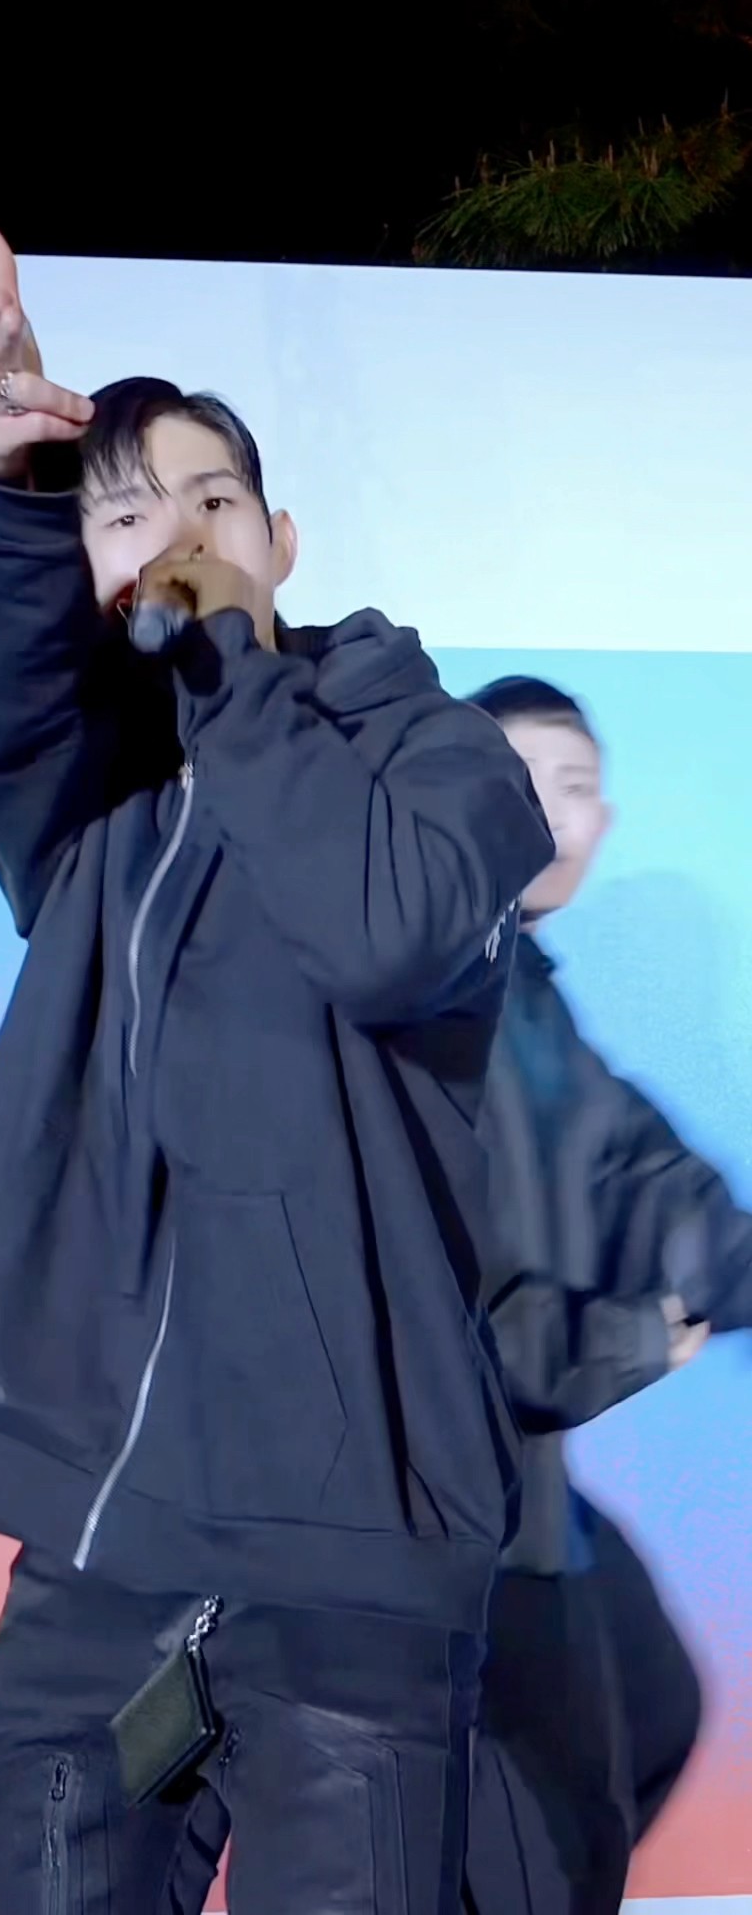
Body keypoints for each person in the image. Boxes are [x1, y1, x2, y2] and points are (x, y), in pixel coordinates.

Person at [0, 228, 554, 1915]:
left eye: (211, 503)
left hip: (352, 1579)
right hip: (107, 1569)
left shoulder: (441, 760)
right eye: (126, 518)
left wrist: (233, 667)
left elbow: (384, 932)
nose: (172, 537)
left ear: (281, 539)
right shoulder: (95, 806)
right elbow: (15, 680)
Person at [463, 674, 752, 1915]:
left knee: (651, 1709)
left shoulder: (534, 1002)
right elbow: (450, 1316)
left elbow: (657, 1190)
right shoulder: (425, 1005)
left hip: (525, 1494)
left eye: (577, 787)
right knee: (550, 1833)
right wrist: (630, 1336)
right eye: (525, 781)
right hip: (439, 1515)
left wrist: (706, 1285)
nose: (556, 814)